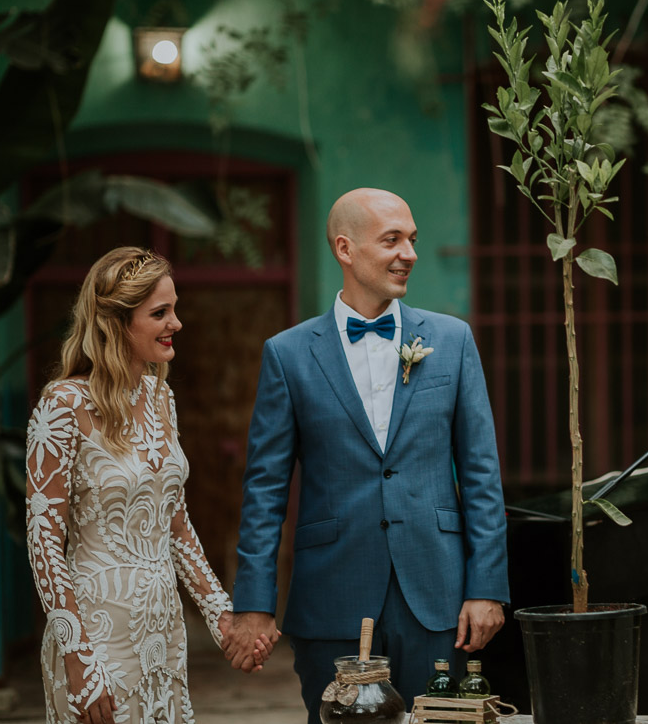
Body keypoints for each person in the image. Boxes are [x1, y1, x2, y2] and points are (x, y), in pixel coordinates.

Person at [223, 188, 511, 710]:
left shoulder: (452, 341)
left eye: (413, 240)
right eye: (392, 240)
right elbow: (264, 489)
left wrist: (486, 585)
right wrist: (253, 605)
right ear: (345, 249)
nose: (410, 254)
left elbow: (481, 474)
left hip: (437, 597)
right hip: (331, 597)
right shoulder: (287, 355)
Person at [25, 247, 275, 724]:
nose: (176, 323)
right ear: (115, 324)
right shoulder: (62, 405)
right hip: (97, 632)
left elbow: (176, 526)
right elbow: (44, 544)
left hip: (163, 634)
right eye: (159, 313)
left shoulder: (161, 396)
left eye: (173, 309)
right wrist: (77, 655)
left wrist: (222, 616)